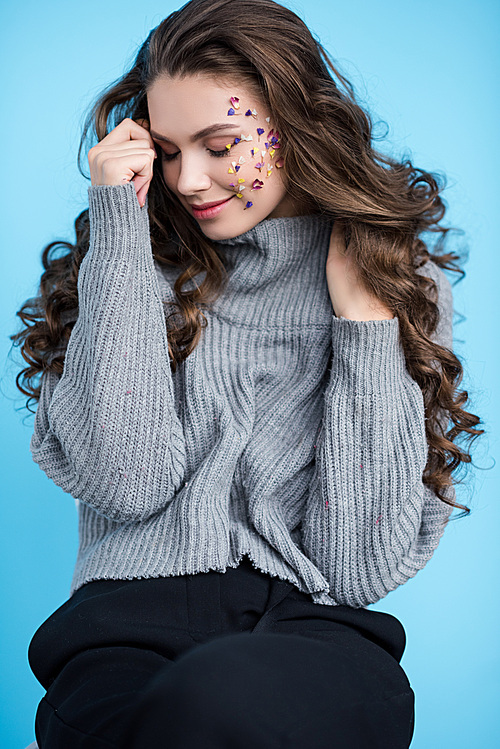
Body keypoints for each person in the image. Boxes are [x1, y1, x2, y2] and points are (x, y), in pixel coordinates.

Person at [12, 0, 483, 747]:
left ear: (297, 125)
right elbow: (126, 481)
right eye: (167, 150)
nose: (189, 179)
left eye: (221, 143)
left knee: (232, 699)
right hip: (123, 634)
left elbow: (357, 567)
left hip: (319, 639)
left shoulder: (398, 279)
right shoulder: (125, 267)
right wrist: (120, 235)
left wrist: (361, 321)